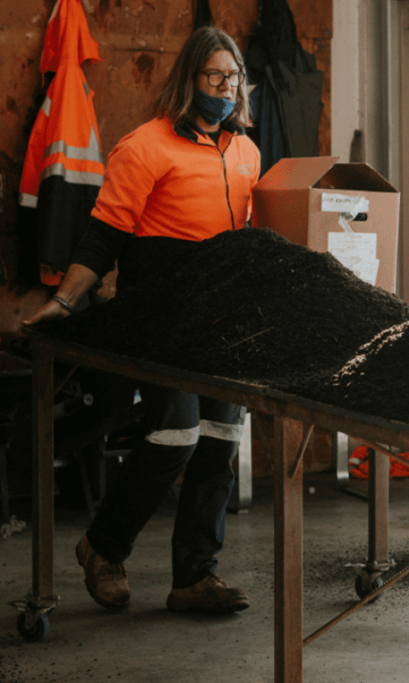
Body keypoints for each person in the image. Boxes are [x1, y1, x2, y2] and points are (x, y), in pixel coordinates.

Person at [21, 25, 261, 614]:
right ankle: (102, 547)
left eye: (233, 78)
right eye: (214, 77)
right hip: (160, 321)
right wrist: (66, 301)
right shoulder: (144, 147)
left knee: (219, 441)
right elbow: (104, 235)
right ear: (189, 81)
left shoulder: (248, 153)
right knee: (174, 435)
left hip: (220, 323)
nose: (225, 88)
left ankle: (193, 578)